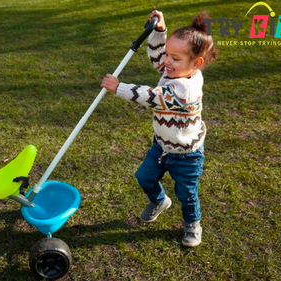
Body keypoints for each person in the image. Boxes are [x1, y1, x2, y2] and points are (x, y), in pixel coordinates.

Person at [101, 10, 218, 247]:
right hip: (161, 146)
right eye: (169, 55)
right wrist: (159, 31)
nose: (167, 62)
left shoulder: (186, 90)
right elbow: (157, 57)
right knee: (144, 177)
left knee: (186, 194)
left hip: (187, 154)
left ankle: (192, 224)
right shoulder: (174, 69)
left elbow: (152, 96)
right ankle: (159, 200)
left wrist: (119, 88)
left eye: (175, 58)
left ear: (196, 63)